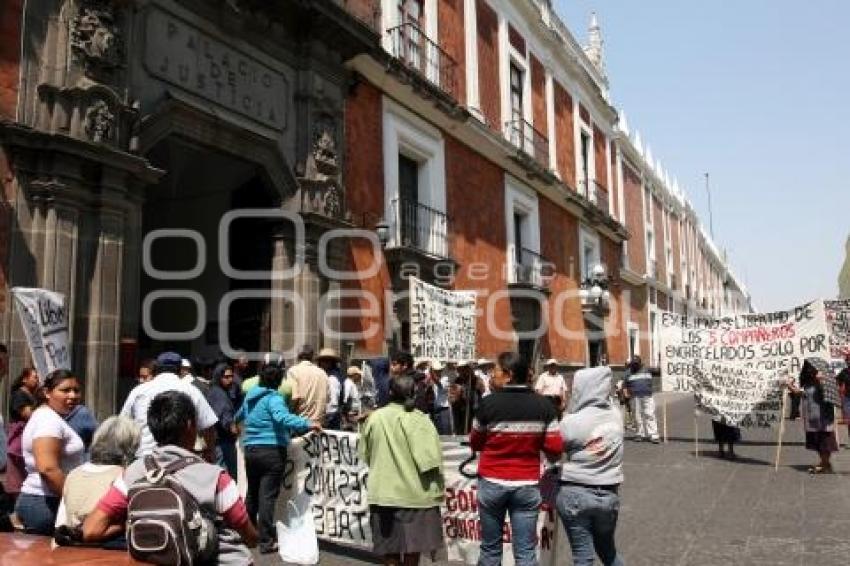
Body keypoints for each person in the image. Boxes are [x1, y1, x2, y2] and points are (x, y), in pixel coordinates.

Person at [82, 391, 257, 564]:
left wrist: (132, 522)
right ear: (190, 425)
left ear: (151, 427)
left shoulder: (132, 473)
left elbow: (91, 530)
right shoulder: (216, 478)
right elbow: (249, 536)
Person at [470, 351, 563, 566]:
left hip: (492, 483)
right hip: (527, 485)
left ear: (509, 374)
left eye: (496, 371)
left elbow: (475, 442)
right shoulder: (545, 406)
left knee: (490, 550)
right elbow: (555, 448)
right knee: (526, 552)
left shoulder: (488, 404)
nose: (492, 375)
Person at [360, 374, 445, 565]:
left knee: (389, 549)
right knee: (412, 550)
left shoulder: (374, 418)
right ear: (414, 393)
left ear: (390, 393)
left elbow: (365, 455)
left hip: (383, 494)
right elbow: (430, 461)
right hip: (415, 496)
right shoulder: (420, 420)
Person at [236, 364, 320, 554]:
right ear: (279, 381)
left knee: (252, 494)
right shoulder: (274, 398)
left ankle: (247, 535)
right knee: (267, 497)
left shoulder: (250, 396)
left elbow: (240, 414)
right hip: (271, 451)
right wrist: (309, 423)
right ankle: (266, 541)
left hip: (251, 450)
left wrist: (234, 423)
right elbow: (283, 418)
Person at [557, 365, 624, 566]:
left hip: (576, 493)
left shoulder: (572, 422)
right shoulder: (616, 414)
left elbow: (554, 448)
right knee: (608, 551)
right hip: (609, 494)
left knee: (583, 555)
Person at [15, 369, 85, 535]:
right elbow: (48, 469)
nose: (73, 395)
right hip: (46, 503)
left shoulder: (49, 418)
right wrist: (74, 500)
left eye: (76, 390)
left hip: (45, 501)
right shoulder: (48, 421)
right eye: (65, 390)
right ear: (47, 393)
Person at [120, 351, 219, 461]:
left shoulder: (138, 391)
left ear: (157, 369)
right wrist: (209, 452)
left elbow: (123, 425)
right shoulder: (191, 390)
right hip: (180, 460)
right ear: (179, 370)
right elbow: (208, 426)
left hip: (144, 459)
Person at [54, 416, 140, 535]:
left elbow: (61, 522)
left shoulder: (74, 474)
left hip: (72, 545)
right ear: (130, 447)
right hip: (108, 546)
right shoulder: (126, 477)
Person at [787, 358, 839, 474]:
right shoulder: (808, 384)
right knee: (816, 441)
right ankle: (824, 462)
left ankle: (825, 464)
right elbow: (800, 393)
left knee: (824, 441)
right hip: (811, 417)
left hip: (823, 417)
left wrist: (822, 381)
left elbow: (830, 394)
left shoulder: (825, 381)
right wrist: (789, 386)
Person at [6, 367, 40, 499]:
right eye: (35, 377)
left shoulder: (31, 395)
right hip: (19, 440)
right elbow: (28, 414)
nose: (38, 380)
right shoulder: (19, 395)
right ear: (25, 379)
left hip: (27, 437)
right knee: (17, 478)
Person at [207, 363, 240, 480]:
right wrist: (232, 427)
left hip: (222, 441)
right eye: (226, 377)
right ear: (218, 377)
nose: (230, 379)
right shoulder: (218, 393)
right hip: (223, 442)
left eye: (231, 376)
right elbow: (223, 413)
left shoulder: (220, 391)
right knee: (226, 478)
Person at [287, 345, 331, 422]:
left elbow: (295, 397)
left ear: (298, 356)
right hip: (318, 423)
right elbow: (328, 399)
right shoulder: (323, 373)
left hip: (300, 421)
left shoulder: (293, 371)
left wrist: (288, 415)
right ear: (312, 357)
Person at [622, 355, 660, 443]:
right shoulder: (628, 372)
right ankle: (639, 434)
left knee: (650, 414)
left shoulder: (647, 370)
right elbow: (625, 385)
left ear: (640, 363)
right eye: (633, 364)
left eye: (636, 363)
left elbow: (658, 372)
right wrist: (626, 395)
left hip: (648, 396)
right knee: (637, 416)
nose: (635, 365)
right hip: (635, 397)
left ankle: (653, 435)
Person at [318, 348, 345, 429]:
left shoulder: (332, 379)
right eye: (323, 360)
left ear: (332, 362)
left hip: (331, 419)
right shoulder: (327, 376)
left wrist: (326, 422)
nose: (323, 363)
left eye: (327, 361)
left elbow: (333, 405)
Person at [836, 352, 850, 439]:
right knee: (849, 421)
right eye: (848, 360)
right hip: (847, 398)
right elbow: (837, 381)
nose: (849, 362)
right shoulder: (844, 372)